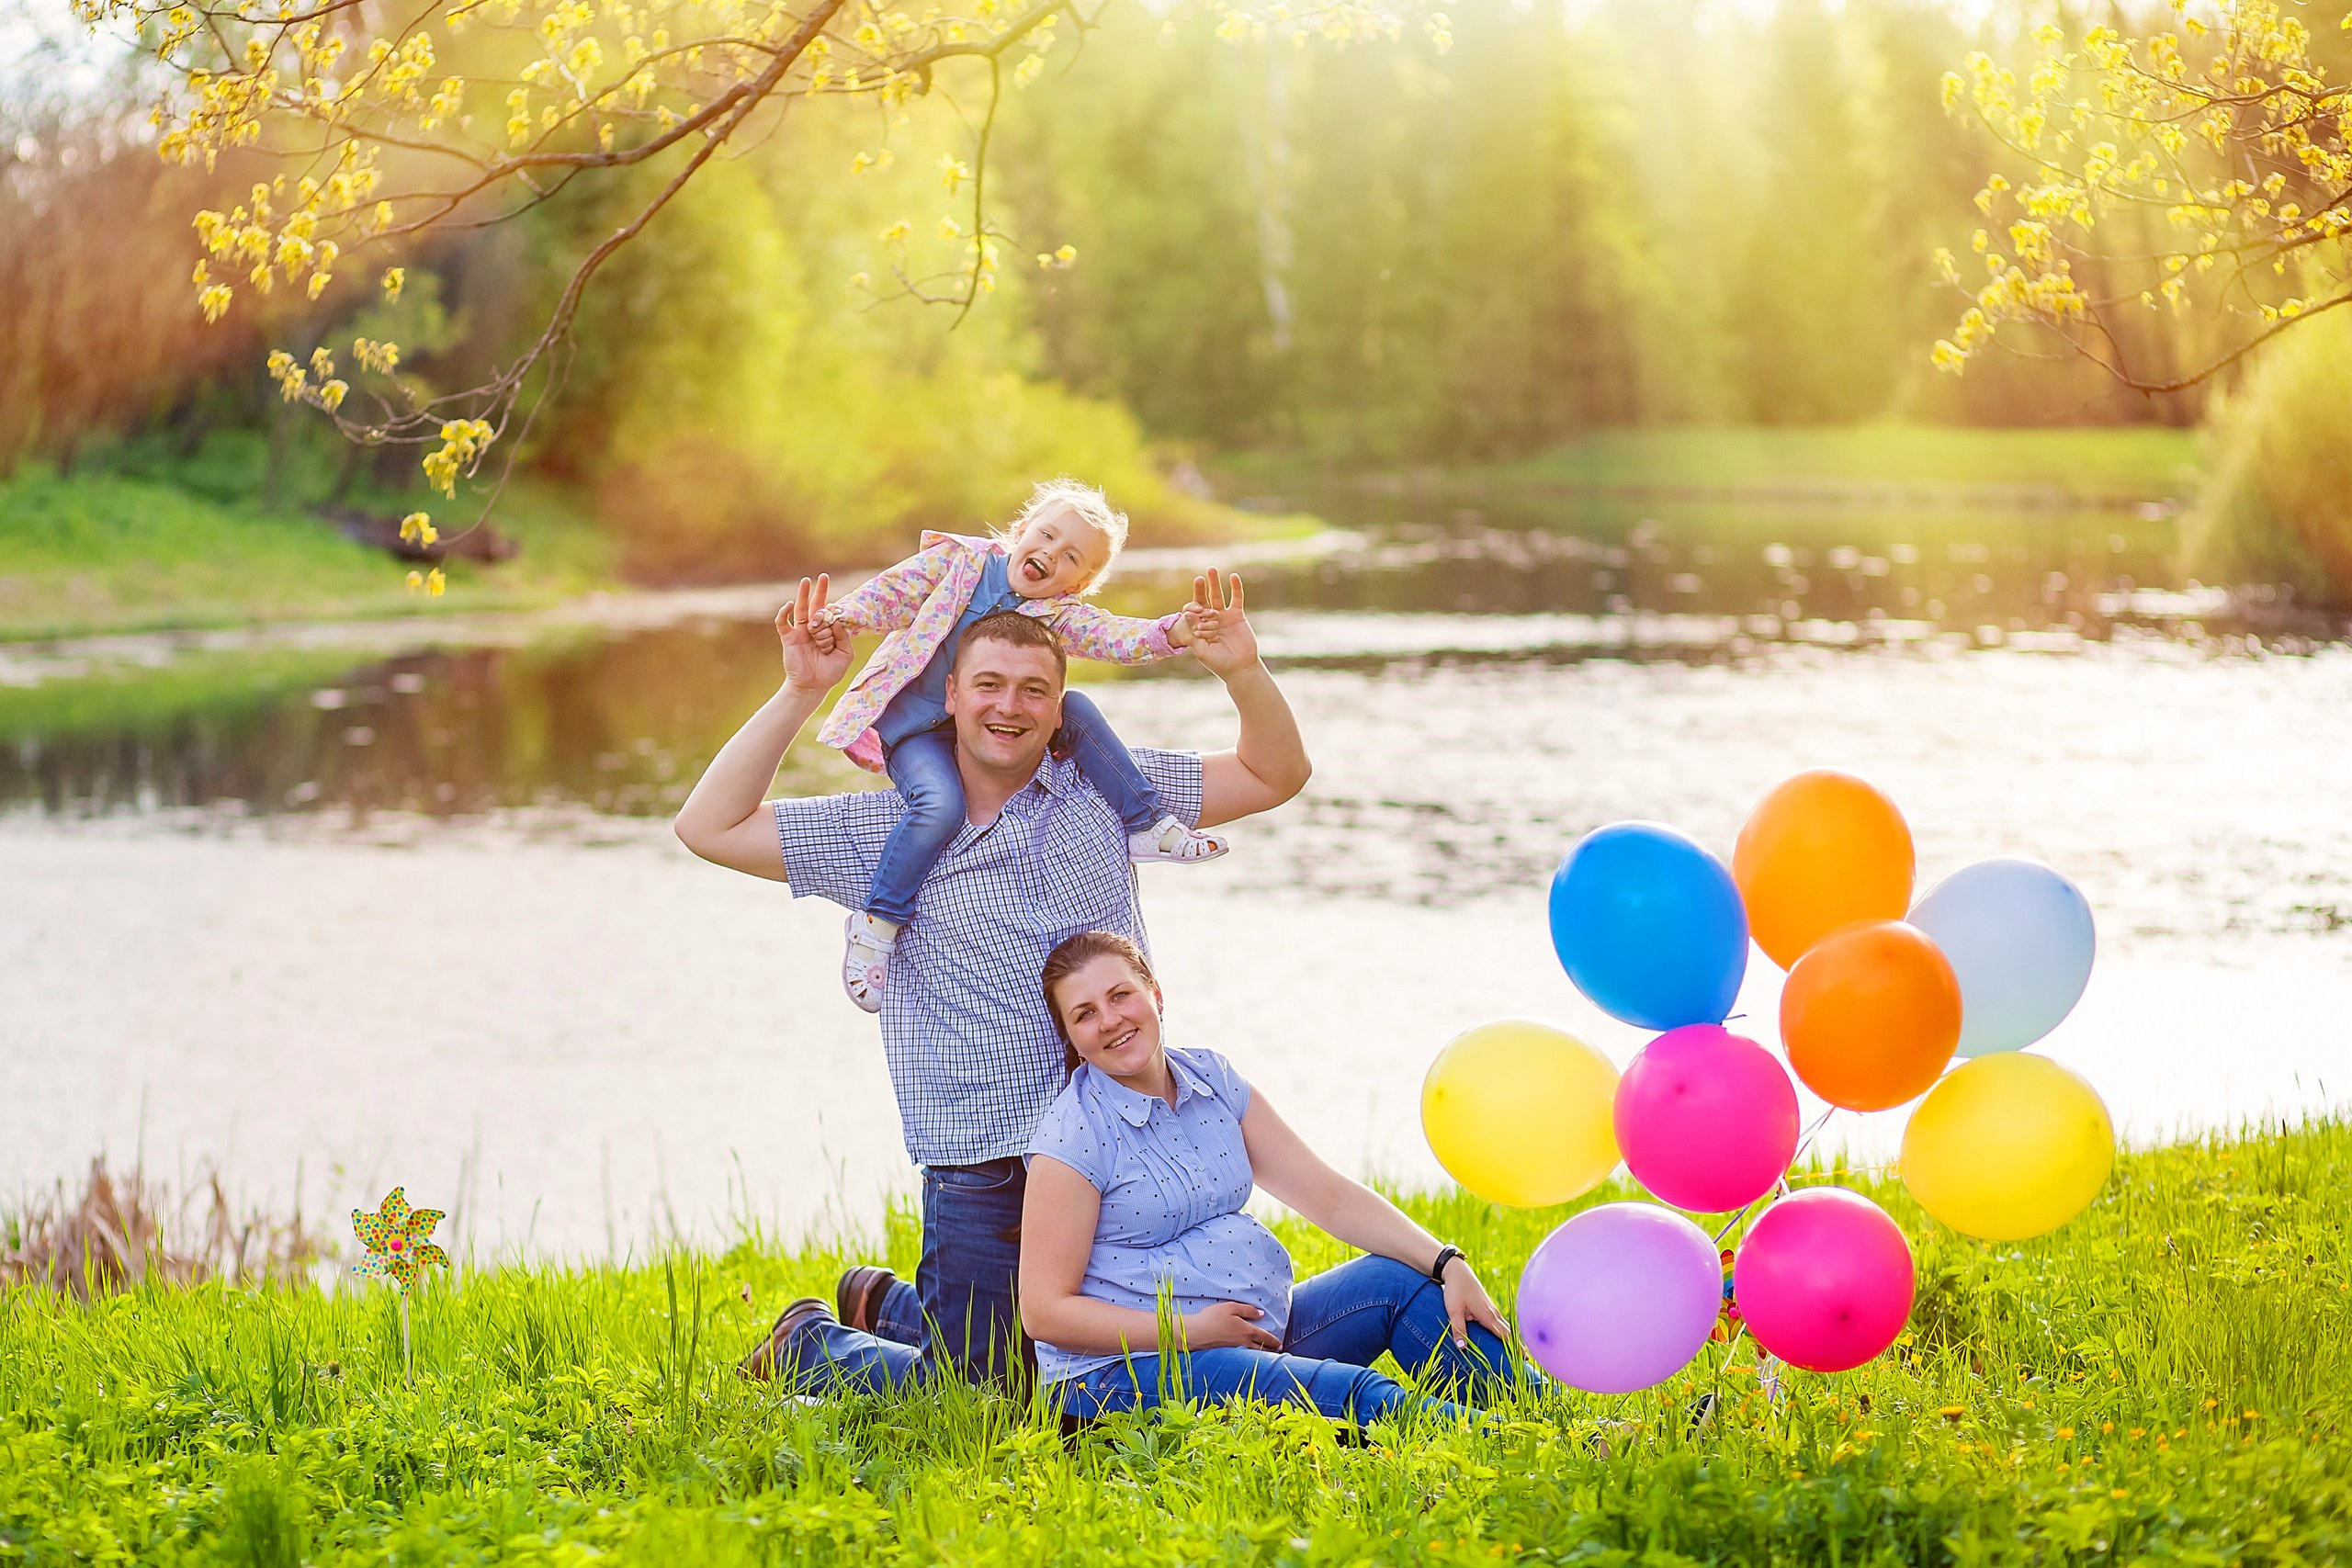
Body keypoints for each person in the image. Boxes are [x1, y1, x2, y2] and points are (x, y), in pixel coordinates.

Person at [678, 566, 1308, 1393]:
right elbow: (708, 825)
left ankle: (893, 1303)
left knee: (1082, 1368)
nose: (1009, 706)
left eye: (1033, 690)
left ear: (1060, 707)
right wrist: (800, 692)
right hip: (984, 1153)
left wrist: (1241, 672)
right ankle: (812, 1343)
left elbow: (1274, 775)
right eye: (989, 685)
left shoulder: (1106, 792)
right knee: (986, 1403)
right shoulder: (884, 829)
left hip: (1105, 1146)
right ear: (949, 694)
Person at [1018, 930, 1538, 1425]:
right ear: (1070, 1037)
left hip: (1250, 1338)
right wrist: (1191, 1333)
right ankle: (1529, 1443)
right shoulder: (1073, 1138)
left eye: (1120, 995)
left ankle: (1547, 1413)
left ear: (1155, 994)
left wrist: (1447, 1263)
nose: (1110, 1020)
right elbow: (1044, 1313)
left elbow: (1328, 1197)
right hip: (1122, 1379)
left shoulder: (1212, 1080)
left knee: (1398, 1282)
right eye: (1085, 1014)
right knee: (1355, 1392)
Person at [810, 479, 1232, 1014]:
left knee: (1074, 707)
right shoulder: (958, 566)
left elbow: (1116, 638)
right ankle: (877, 924)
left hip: (989, 728)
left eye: (1070, 557)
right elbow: (892, 594)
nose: (1050, 554)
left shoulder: (1057, 614)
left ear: (1078, 584)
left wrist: (1175, 631)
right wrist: (840, 617)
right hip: (918, 731)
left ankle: (1145, 822)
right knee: (940, 805)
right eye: (1047, 536)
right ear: (1020, 532)